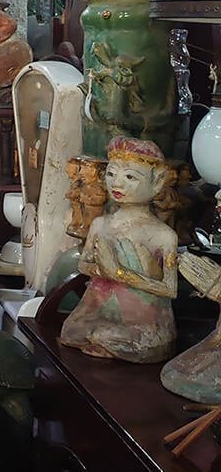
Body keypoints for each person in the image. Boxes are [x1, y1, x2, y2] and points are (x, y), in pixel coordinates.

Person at [59, 137, 178, 363]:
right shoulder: (101, 224)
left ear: (157, 183)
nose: (117, 184)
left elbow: (170, 289)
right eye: (112, 174)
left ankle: (114, 344)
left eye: (130, 177)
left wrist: (120, 274)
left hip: (144, 318)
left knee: (107, 335)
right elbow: (83, 264)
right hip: (101, 308)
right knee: (73, 330)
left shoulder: (163, 235)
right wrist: (102, 269)